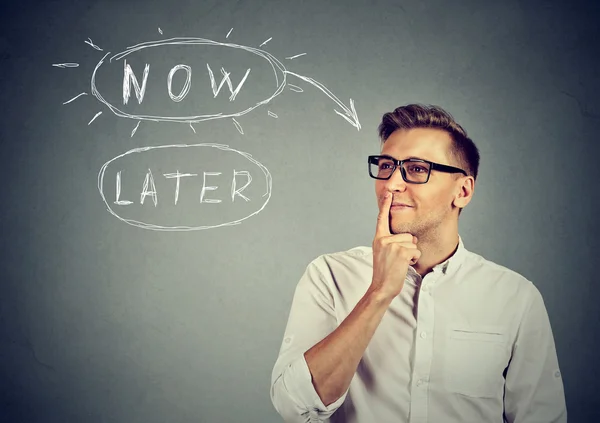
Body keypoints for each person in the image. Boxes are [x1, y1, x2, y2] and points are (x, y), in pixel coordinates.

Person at [269, 104, 567, 423]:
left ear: (463, 191)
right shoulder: (329, 276)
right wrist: (379, 293)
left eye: (415, 169)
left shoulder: (516, 298)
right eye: (385, 166)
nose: (391, 184)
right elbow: (294, 407)